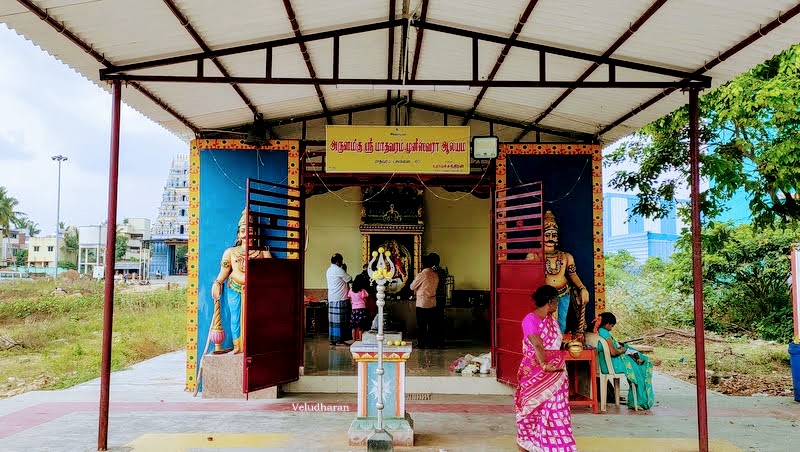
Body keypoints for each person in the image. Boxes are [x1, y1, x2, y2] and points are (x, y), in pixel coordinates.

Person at [514, 284, 577, 452]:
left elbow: (553, 344)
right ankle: (529, 443)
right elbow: (537, 343)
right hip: (538, 370)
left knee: (555, 409)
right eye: (556, 301)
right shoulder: (530, 319)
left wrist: (568, 345)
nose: (557, 304)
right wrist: (543, 364)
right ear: (550, 302)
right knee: (531, 409)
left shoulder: (551, 320)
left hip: (555, 371)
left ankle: (552, 446)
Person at [211, 210, 271, 354]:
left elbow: (271, 273)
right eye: (243, 231)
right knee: (235, 318)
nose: (246, 234)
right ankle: (238, 347)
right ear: (238, 234)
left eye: (249, 231)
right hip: (235, 288)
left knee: (256, 319)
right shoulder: (230, 252)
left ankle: (253, 347)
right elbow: (224, 272)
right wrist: (217, 282)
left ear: (255, 233)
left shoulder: (263, 252)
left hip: (256, 291)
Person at [593, 312, 655, 411]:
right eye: (611, 326)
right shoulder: (605, 332)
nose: (611, 328)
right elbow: (613, 352)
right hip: (611, 365)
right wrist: (621, 351)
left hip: (603, 364)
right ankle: (639, 400)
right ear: (608, 324)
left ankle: (637, 398)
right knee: (640, 367)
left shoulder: (596, 331)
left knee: (632, 354)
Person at [541, 210, 589, 333]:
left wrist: (582, 288)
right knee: (544, 323)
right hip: (545, 296)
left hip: (563, 293)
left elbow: (573, 274)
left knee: (561, 322)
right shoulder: (535, 256)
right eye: (547, 235)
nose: (550, 238)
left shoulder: (566, 256)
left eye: (554, 235)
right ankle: (547, 346)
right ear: (540, 236)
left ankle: (558, 344)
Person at [410, 254, 439, 349]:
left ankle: (422, 344)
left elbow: (412, 286)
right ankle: (431, 343)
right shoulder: (435, 274)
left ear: (423, 264)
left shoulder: (423, 274)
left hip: (422, 303)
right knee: (431, 325)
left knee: (421, 325)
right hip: (433, 303)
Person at [326, 253, 352, 346]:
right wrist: (345, 270)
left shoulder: (329, 270)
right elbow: (349, 279)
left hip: (332, 298)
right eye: (341, 261)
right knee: (341, 321)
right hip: (340, 298)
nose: (342, 262)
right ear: (338, 262)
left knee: (333, 322)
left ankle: (333, 339)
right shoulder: (339, 270)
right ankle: (340, 339)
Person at [429, 252, 448, 348]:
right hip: (442, 298)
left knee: (432, 320)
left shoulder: (430, 272)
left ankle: (433, 341)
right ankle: (440, 341)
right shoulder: (443, 271)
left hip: (433, 298)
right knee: (440, 319)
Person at [348, 277, 370, 341]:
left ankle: (353, 340)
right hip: (362, 309)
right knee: (361, 326)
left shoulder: (351, 290)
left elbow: (350, 299)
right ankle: (360, 340)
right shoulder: (362, 290)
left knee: (353, 326)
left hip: (354, 309)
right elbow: (365, 300)